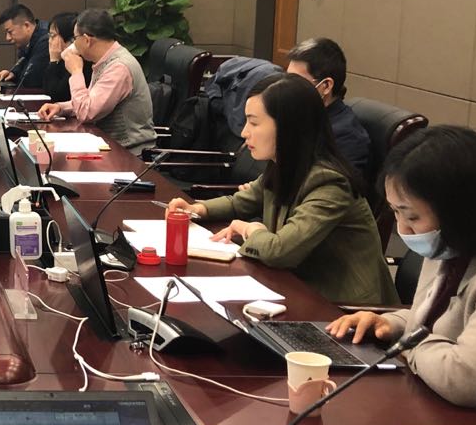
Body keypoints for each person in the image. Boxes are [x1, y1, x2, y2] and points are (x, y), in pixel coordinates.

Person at [328, 128, 476, 425]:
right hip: (436, 417)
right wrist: (391, 324)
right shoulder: (458, 239)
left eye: (411, 216)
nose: (402, 229)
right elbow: (441, 320)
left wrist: (408, 344)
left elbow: (467, 379)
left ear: (463, 209)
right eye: (396, 212)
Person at [166, 74, 394, 306]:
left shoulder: (329, 183)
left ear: (288, 128)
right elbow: (241, 202)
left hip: (344, 309)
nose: (244, 132)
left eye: (254, 123)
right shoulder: (285, 165)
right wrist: (197, 209)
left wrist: (251, 229)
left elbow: (280, 251)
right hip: (296, 288)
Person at [37, 8, 157, 154]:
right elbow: (91, 101)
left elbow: (86, 113)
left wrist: (76, 72)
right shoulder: (104, 61)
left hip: (128, 153)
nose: (73, 44)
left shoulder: (119, 67)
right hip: (108, 145)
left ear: (87, 40)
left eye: (75, 39)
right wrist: (61, 108)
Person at [286, 37, 371, 178]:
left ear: (326, 86)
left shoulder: (347, 136)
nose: (288, 86)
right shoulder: (300, 115)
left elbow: (334, 186)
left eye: (296, 81)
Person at [0, 4, 49, 90]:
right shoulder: (27, 43)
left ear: (26, 26)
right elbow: (23, 64)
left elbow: (29, 80)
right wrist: (12, 73)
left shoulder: (46, 41)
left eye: (10, 32)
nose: (7, 38)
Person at [40, 11, 90, 101]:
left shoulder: (79, 60)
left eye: (52, 35)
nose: (49, 40)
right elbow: (46, 91)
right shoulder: (61, 59)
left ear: (71, 40)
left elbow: (57, 95)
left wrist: (53, 60)